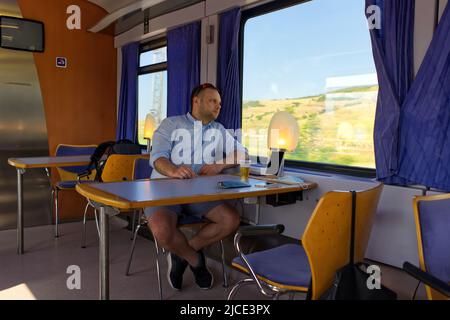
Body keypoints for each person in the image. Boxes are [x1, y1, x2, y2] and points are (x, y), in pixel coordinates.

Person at [145, 83, 247, 291]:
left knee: (231, 220)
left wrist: (220, 164)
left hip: (199, 193)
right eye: (212, 101)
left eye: (219, 103)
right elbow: (157, 158)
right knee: (162, 229)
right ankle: (196, 260)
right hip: (163, 189)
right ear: (196, 101)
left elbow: (242, 154)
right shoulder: (171, 124)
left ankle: (182, 255)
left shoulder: (218, 130)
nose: (218, 106)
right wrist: (173, 170)